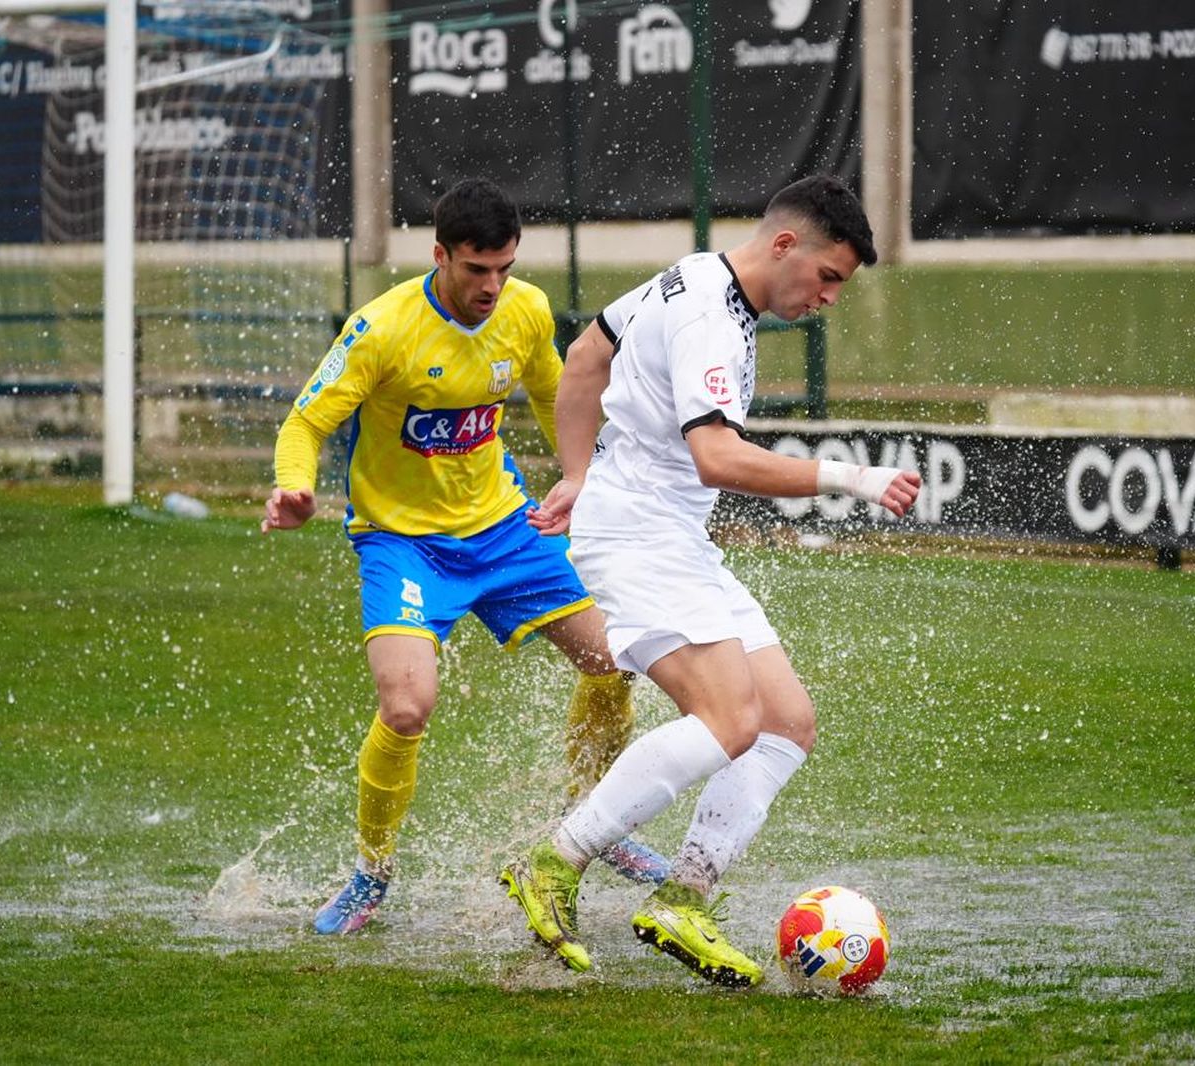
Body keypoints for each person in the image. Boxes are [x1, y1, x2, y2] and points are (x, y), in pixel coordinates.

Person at [499, 174, 921, 985]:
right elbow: (716, 456)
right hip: (641, 539)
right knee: (730, 718)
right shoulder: (710, 319)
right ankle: (552, 864)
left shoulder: (694, 273)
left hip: (667, 533)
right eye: (828, 277)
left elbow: (586, 356)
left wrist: (581, 473)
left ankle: (683, 900)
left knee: (786, 723)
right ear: (785, 244)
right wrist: (855, 480)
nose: (828, 298)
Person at [262, 178, 668, 936]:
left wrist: (581, 478)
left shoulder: (525, 311)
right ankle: (370, 875)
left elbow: (557, 394)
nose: (492, 286)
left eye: (504, 268)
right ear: (440, 255)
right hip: (404, 545)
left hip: (508, 529)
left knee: (618, 661)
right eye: (477, 269)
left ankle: (594, 819)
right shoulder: (381, 330)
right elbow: (303, 424)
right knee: (407, 708)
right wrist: (293, 488)